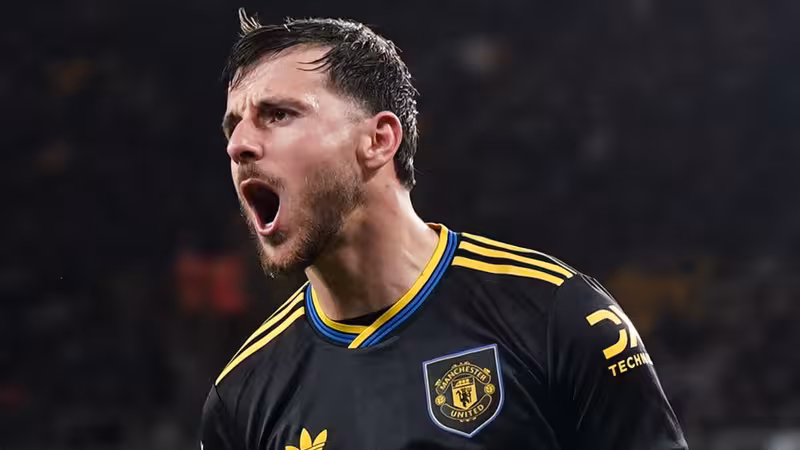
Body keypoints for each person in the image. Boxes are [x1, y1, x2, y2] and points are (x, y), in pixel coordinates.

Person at [200, 9, 688, 450]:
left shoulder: (557, 318)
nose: (238, 145)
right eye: (233, 126)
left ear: (378, 140)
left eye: (278, 114)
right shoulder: (240, 398)